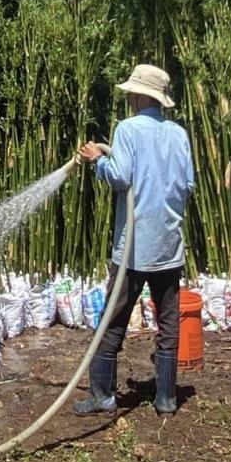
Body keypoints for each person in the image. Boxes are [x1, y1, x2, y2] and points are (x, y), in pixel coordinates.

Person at [73, 63, 196, 416]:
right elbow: (187, 185)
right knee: (168, 321)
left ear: (141, 95)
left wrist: (97, 160)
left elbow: (120, 177)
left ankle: (102, 396)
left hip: (133, 246)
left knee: (114, 317)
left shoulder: (127, 130)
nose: (128, 98)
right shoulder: (179, 134)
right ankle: (166, 398)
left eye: (130, 93)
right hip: (169, 244)